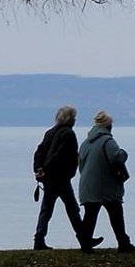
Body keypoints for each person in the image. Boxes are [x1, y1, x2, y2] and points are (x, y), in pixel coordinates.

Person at [32, 105, 102, 250]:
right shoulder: (68, 134)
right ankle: (84, 238)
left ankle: (39, 238)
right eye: (74, 117)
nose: (75, 120)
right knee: (72, 209)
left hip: (49, 179)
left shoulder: (49, 132)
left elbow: (39, 151)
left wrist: (39, 168)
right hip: (60, 178)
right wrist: (46, 168)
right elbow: (61, 155)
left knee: (47, 209)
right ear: (70, 119)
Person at [77, 111, 135, 253]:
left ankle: (85, 245)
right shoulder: (108, 141)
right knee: (116, 213)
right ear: (108, 126)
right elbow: (116, 158)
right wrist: (124, 153)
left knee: (90, 215)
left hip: (87, 185)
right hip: (106, 186)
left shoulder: (85, 143)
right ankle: (123, 243)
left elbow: (80, 164)